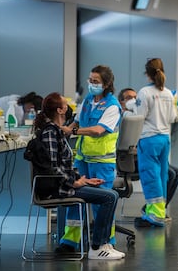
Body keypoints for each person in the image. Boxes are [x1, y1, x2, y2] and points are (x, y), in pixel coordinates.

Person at [34, 92, 124, 260]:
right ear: (60, 110)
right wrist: (73, 183)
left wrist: (84, 180)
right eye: (65, 104)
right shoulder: (51, 133)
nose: (69, 106)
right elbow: (53, 167)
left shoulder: (58, 132)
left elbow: (62, 167)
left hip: (69, 182)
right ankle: (97, 247)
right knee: (109, 197)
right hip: (63, 188)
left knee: (111, 194)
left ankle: (103, 244)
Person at [60, 65, 122, 250]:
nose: (91, 84)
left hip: (102, 162)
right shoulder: (87, 100)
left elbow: (97, 130)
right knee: (74, 199)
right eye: (90, 80)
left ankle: (105, 243)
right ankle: (70, 241)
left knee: (102, 202)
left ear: (106, 84)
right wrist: (68, 129)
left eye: (96, 81)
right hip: (83, 159)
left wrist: (74, 130)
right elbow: (78, 120)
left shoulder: (113, 106)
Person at [119, 87, 178, 218]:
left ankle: (157, 210)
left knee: (177, 173)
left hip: (143, 155)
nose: (133, 100)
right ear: (121, 102)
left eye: (135, 98)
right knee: (170, 174)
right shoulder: (121, 117)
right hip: (129, 160)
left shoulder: (138, 116)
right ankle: (154, 210)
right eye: (128, 98)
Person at [130, 58, 177, 227]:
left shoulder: (144, 92)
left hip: (149, 138)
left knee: (150, 176)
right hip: (164, 139)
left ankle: (155, 215)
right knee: (161, 175)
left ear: (147, 73)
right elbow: (173, 117)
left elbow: (140, 116)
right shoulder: (168, 93)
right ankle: (158, 211)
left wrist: (131, 105)